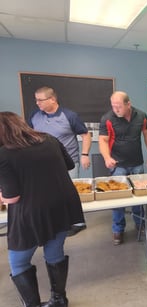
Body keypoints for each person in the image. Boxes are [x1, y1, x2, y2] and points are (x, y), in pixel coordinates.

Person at [0, 112, 84, 307]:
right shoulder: (50, 139)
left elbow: (11, 198)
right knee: (54, 251)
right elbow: (69, 166)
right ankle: (59, 300)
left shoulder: (4, 154)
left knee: (18, 262)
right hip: (62, 205)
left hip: (30, 212)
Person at [29, 86, 91, 236]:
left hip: (68, 162)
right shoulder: (34, 116)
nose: (38, 103)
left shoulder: (69, 116)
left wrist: (84, 154)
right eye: (36, 100)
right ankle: (58, 222)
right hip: (42, 164)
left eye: (40, 100)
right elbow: (29, 136)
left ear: (52, 99)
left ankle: (78, 222)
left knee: (69, 193)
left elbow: (85, 135)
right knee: (49, 194)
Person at [99, 91, 147, 245]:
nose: (115, 110)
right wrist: (107, 157)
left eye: (119, 107)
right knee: (119, 200)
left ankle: (140, 224)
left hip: (137, 164)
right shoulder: (107, 119)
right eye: (113, 106)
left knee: (139, 197)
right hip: (118, 166)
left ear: (128, 104)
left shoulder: (141, 116)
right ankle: (118, 230)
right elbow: (103, 140)